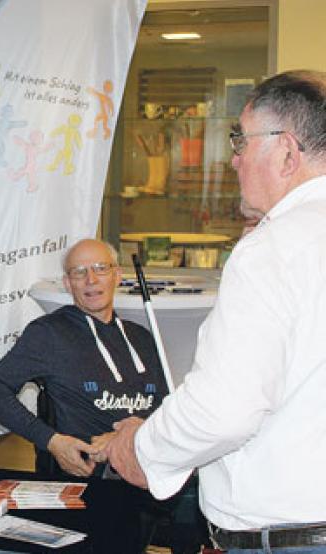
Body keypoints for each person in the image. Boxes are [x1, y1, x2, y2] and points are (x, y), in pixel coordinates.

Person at [100, 70, 326, 553]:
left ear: (287, 151)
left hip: (290, 536)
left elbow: (225, 410)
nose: (233, 159)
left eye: (241, 141)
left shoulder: (275, 249)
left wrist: (143, 450)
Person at [0, 238, 204, 553]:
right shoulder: (48, 334)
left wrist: (136, 427)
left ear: (118, 276)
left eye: (100, 268)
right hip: (86, 491)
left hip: (142, 487)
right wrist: (53, 441)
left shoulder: (142, 338)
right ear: (68, 283)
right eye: (80, 272)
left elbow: (164, 408)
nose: (91, 279)